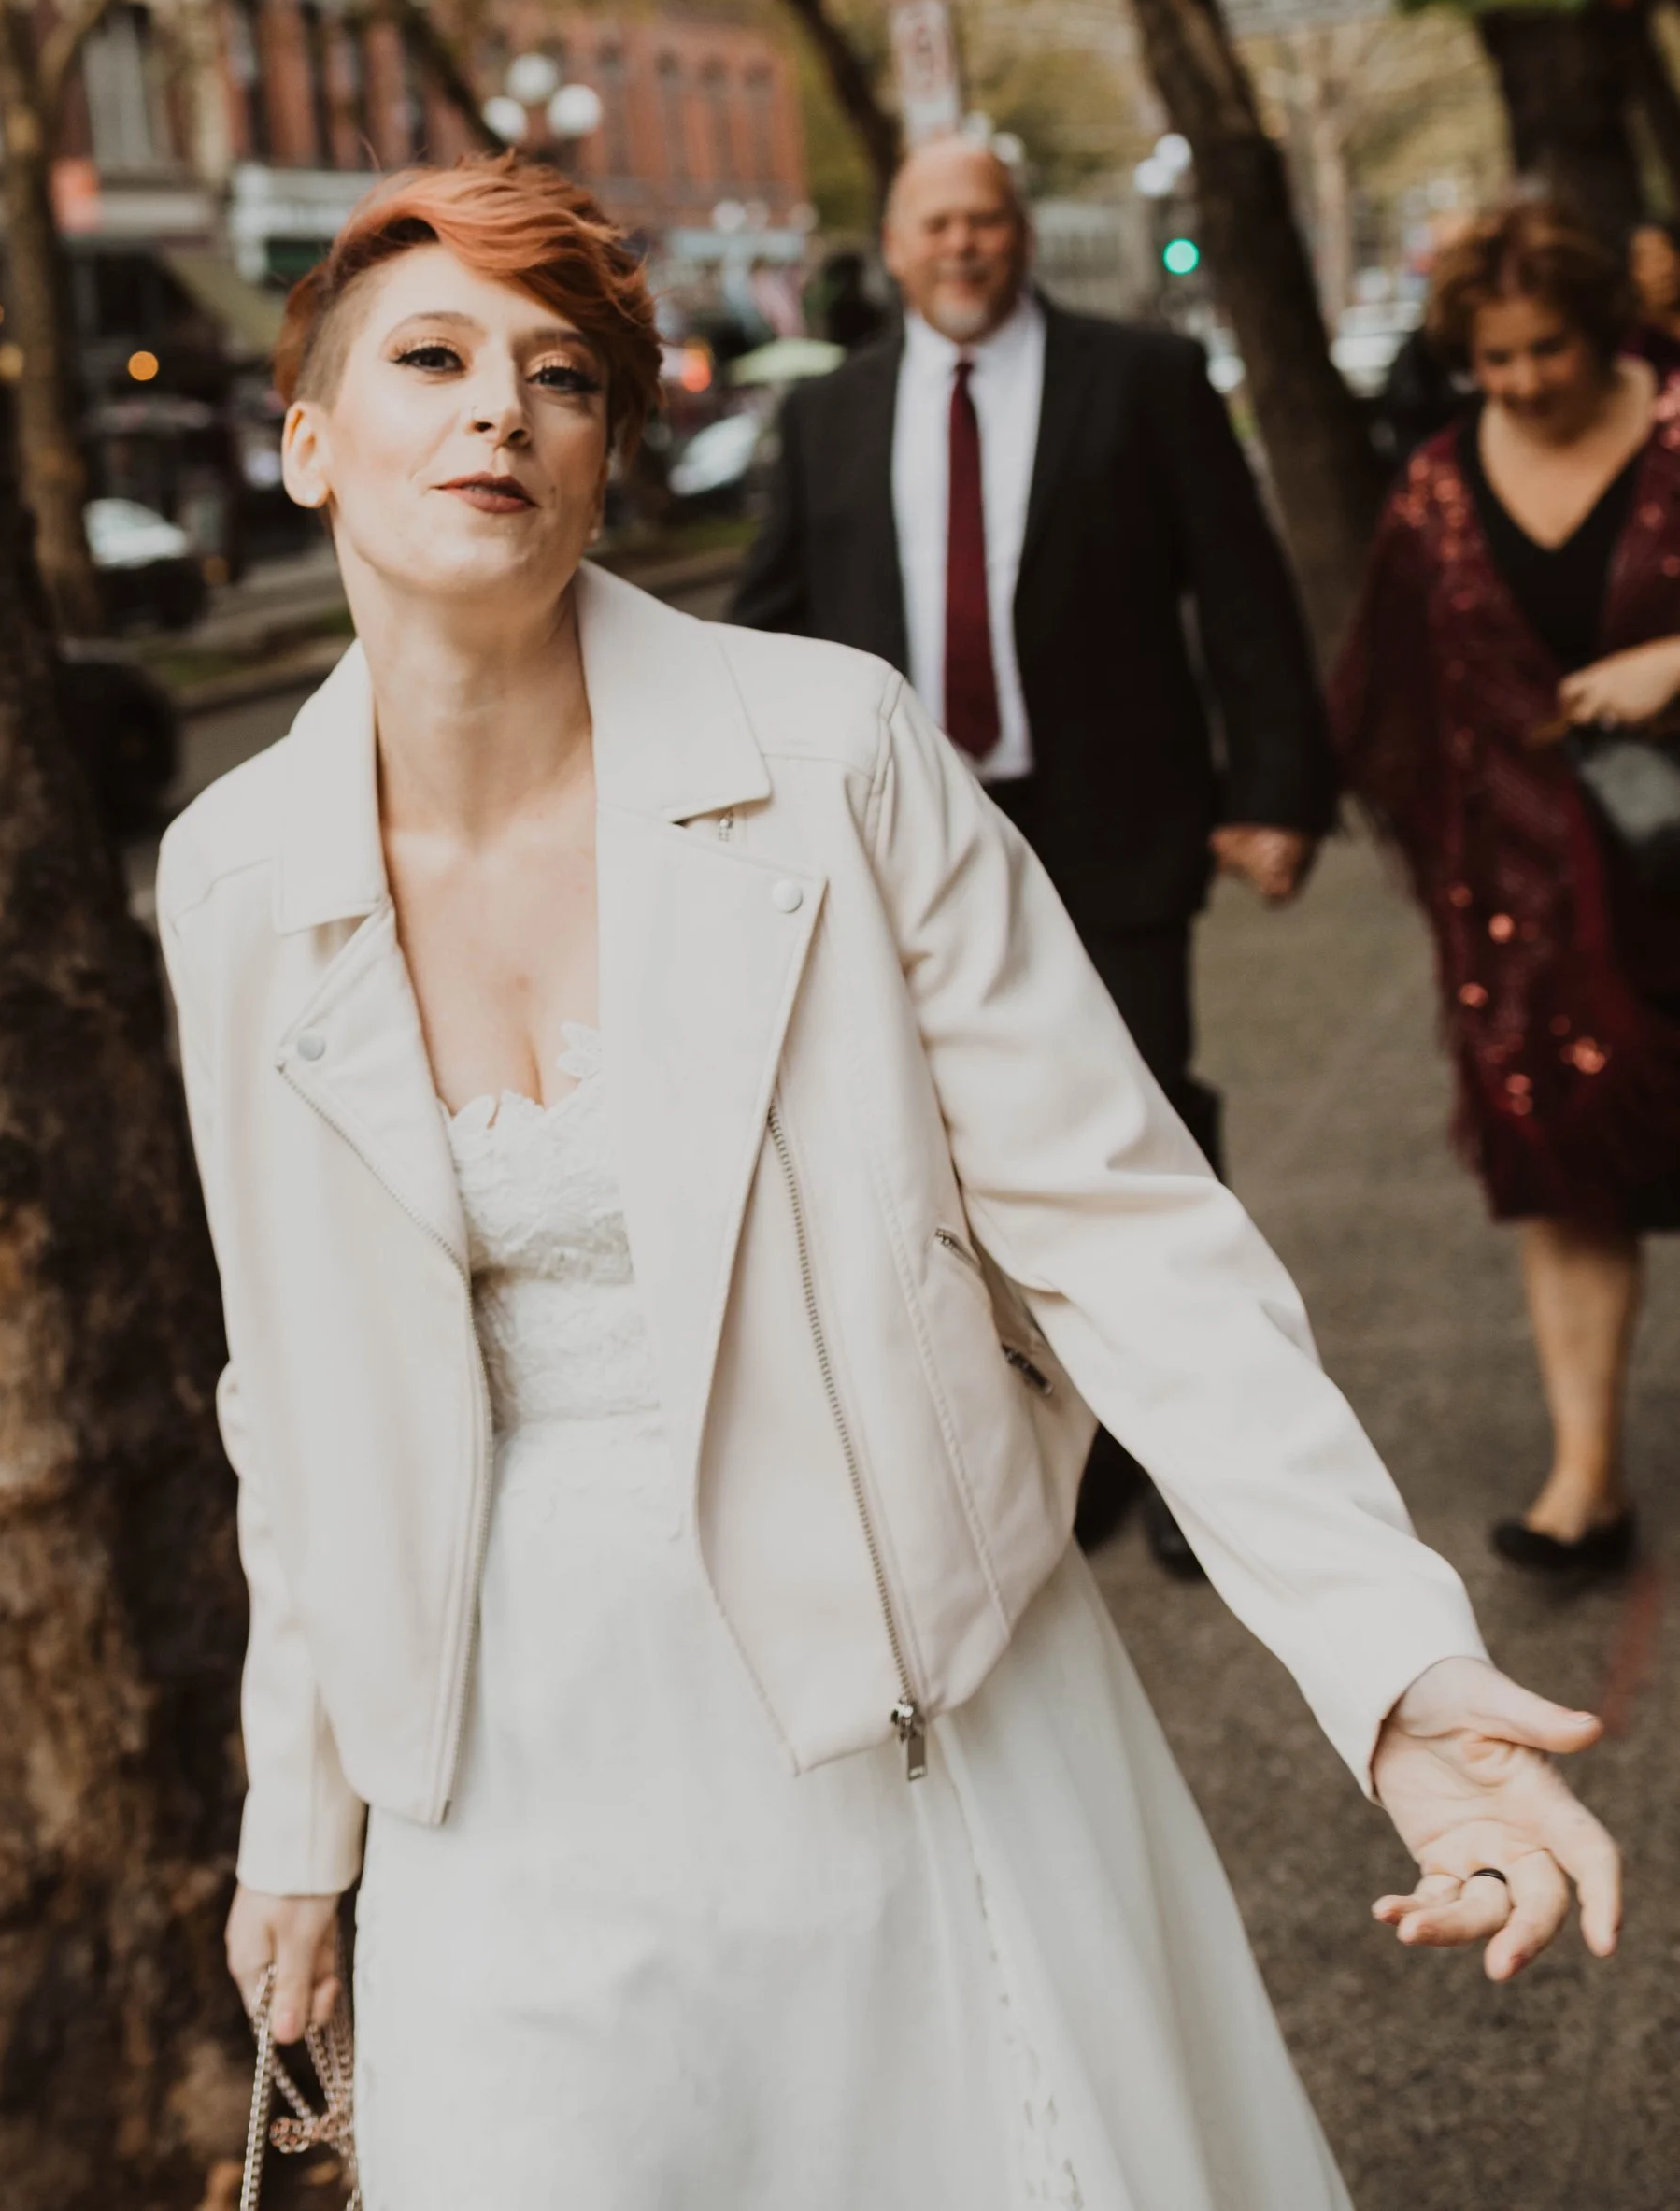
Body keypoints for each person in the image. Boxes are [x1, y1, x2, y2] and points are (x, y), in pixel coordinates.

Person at [160, 155, 1617, 2211]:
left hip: (886, 1696)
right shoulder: (231, 875)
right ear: (310, 441)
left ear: (601, 465)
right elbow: (289, 1399)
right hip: (491, 1768)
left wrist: (1384, 1677)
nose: (498, 406)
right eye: (431, 356)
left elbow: (1128, 1241)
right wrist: (300, 1829)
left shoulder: (831, 755)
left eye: (560, 376)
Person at [729, 136, 1335, 1568]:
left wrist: (1281, 787)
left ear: (1020, 236)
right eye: (936, 221)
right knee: (937, 1152)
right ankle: (1047, 1449)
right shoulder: (828, 416)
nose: (963, 245)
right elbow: (765, 630)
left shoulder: (1143, 380)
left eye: (986, 220)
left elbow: (1239, 591)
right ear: (892, 241)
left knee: (1143, 1131)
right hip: (899, 848)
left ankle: (1194, 1462)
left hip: (1111, 815)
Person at [1334, 194, 1680, 1578]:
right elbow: (1392, 689)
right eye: (1497, 358)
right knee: (1562, 1176)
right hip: (1535, 898)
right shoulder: (1434, 481)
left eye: (1549, 349)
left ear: (1605, 330)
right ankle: (1583, 1479)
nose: (1526, 380)